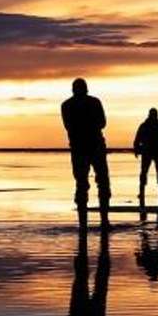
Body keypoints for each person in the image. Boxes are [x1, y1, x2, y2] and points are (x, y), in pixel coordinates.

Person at [61, 77, 110, 221]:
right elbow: (102, 123)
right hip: (90, 147)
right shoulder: (93, 102)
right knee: (100, 183)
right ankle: (102, 220)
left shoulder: (67, 105)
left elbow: (69, 126)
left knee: (83, 184)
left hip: (82, 148)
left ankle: (87, 223)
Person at [133, 107, 158, 205]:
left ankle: (144, 192)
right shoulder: (156, 125)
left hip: (150, 151)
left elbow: (137, 138)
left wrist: (136, 149)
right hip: (154, 151)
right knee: (155, 172)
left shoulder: (145, 125)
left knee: (148, 172)